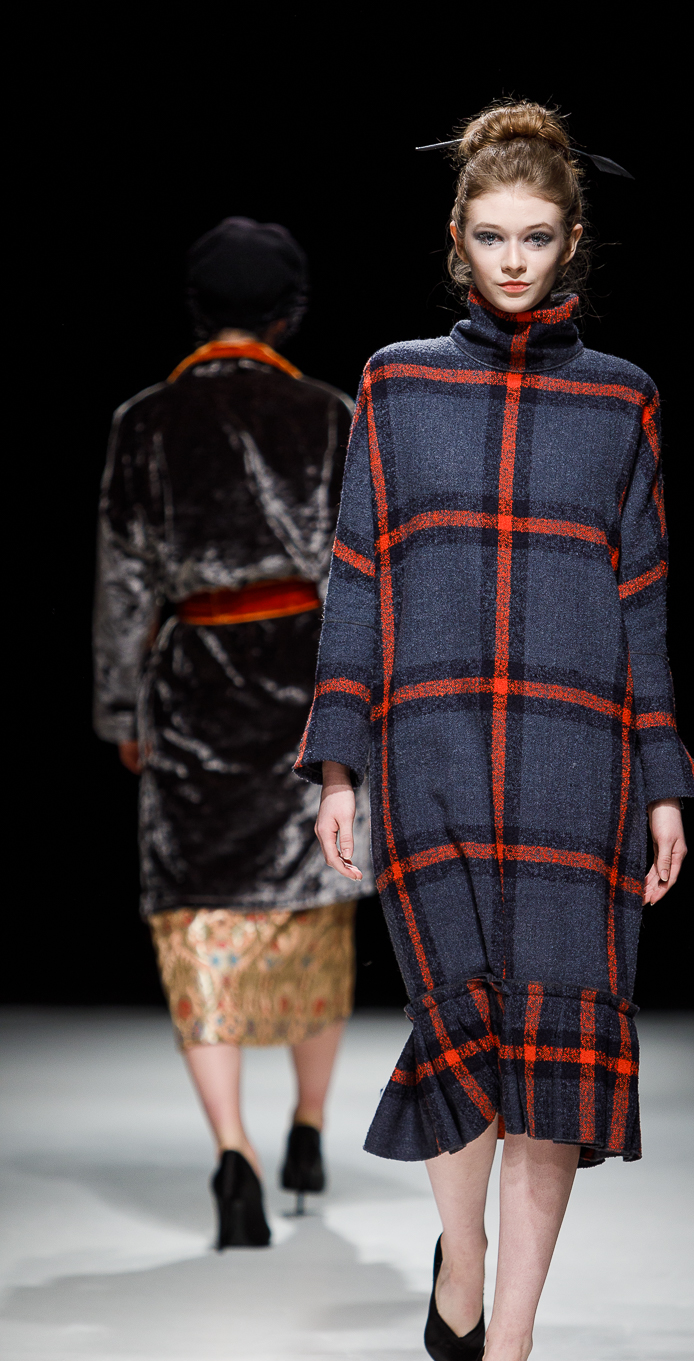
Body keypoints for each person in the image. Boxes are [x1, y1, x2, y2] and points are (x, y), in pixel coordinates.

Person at [296, 102, 694, 1361]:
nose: (515, 261)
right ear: (456, 240)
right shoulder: (397, 385)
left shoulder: (621, 398)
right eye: (491, 237)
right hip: (428, 752)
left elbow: (643, 599)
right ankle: (461, 1260)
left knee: (554, 1055)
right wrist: (339, 761)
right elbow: (357, 577)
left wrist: (660, 775)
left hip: (577, 761)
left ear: (573, 240)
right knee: (459, 1030)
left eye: (536, 237)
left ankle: (508, 1359)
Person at [93, 217, 375, 1250]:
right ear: (289, 313)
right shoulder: (332, 415)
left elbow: (124, 581)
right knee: (314, 911)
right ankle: (308, 1128)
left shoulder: (144, 421)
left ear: (196, 310)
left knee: (197, 917)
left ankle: (232, 1151)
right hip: (307, 689)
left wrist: (121, 708)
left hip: (195, 689)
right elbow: (360, 576)